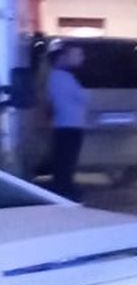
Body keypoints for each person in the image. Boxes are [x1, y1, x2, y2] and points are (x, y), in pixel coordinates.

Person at [45, 42, 88, 200]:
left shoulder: (56, 77)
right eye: (77, 55)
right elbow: (82, 98)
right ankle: (64, 188)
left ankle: (64, 186)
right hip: (69, 125)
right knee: (67, 159)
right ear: (63, 57)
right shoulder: (62, 77)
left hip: (65, 124)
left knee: (65, 159)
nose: (81, 59)